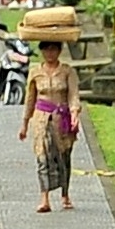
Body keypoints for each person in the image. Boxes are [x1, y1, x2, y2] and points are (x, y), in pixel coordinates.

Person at [19, 39, 78, 213]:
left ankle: (65, 194)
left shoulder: (67, 72)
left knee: (63, 156)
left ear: (59, 51)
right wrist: (24, 124)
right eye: (47, 50)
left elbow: (73, 94)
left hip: (62, 118)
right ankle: (44, 197)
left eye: (54, 49)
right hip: (41, 119)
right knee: (42, 156)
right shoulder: (35, 72)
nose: (50, 53)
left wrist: (74, 113)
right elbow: (30, 99)